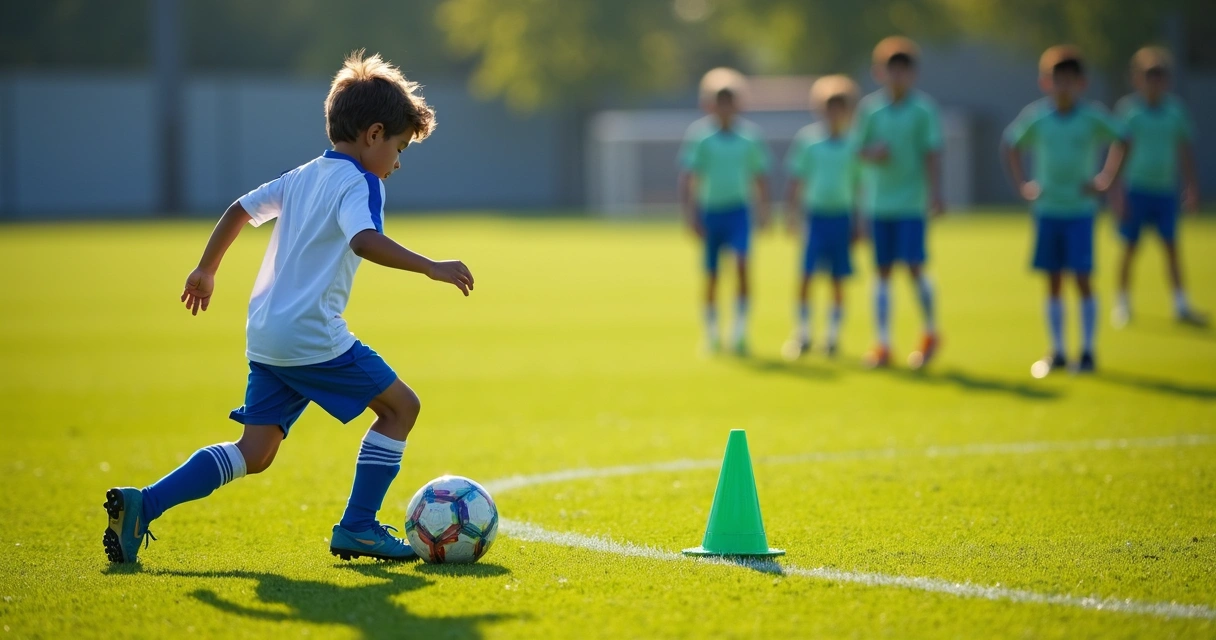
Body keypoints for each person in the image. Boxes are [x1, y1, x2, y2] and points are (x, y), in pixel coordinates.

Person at [103, 51, 474, 563]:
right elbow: (364, 241)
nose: (397, 162)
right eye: (399, 146)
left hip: (267, 335)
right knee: (401, 408)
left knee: (253, 453)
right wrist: (431, 265)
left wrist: (206, 268)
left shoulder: (302, 175)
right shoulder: (360, 182)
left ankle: (144, 504)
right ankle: (359, 527)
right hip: (311, 335)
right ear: (373, 134)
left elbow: (239, 209)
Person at [1003, 45, 1129, 376]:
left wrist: (1107, 179)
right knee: (1053, 281)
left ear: (1080, 83)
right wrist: (1023, 184)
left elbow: (1123, 138)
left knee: (1083, 280)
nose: (1063, 87)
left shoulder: (1091, 117)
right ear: (1046, 82)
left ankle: (1087, 352)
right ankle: (1057, 351)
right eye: (1057, 80)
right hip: (1048, 210)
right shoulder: (1038, 117)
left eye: (1069, 80)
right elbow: (1011, 145)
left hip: (1080, 211)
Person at [852, 36, 945, 370]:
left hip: (910, 204)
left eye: (904, 71)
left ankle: (931, 332)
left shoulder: (923, 110)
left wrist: (936, 192)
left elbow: (932, 152)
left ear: (913, 74)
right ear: (880, 73)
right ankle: (883, 344)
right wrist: (871, 154)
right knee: (881, 273)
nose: (897, 77)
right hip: (879, 204)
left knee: (915, 268)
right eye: (892, 71)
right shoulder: (870, 110)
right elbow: (857, 150)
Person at [1110, 46, 1205, 328]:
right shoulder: (1129, 112)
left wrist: (1191, 187)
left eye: (1160, 76)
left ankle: (1181, 305)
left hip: (1164, 191)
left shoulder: (1175, 111)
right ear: (1138, 78)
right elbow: (1118, 152)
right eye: (1149, 76)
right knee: (1129, 247)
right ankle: (1123, 304)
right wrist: (1115, 191)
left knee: (1171, 248)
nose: (1154, 82)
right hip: (1136, 190)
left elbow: (1184, 151)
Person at [679, 68, 772, 355]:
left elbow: (758, 176)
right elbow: (691, 177)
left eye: (729, 101)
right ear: (709, 104)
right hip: (711, 211)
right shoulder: (701, 137)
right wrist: (690, 213)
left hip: (738, 211)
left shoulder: (749, 138)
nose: (724, 108)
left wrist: (764, 210)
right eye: (719, 101)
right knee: (712, 274)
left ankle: (740, 331)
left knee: (742, 266)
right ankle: (711, 333)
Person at [782, 74, 862, 360]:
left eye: (840, 106)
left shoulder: (855, 144)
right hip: (815, 217)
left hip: (841, 218)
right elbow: (797, 180)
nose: (834, 113)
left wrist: (860, 221)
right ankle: (802, 333)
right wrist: (791, 214)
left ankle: (832, 336)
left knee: (838, 279)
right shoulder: (809, 141)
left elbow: (859, 185)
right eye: (829, 106)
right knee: (806, 276)